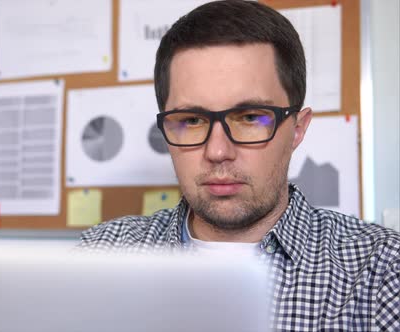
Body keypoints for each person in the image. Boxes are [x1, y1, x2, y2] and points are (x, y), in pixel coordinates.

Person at [77, 1, 400, 330]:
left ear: (298, 129)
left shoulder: (380, 273)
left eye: (249, 117)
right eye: (191, 120)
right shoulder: (103, 254)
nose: (218, 151)